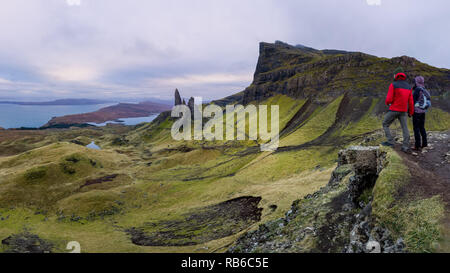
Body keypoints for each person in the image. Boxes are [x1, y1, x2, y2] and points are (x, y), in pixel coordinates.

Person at [381, 67, 414, 152]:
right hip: (403, 111)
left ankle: (390, 142)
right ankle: (405, 146)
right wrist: (410, 112)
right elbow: (410, 102)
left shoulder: (393, 84)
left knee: (385, 124)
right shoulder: (409, 87)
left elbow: (389, 99)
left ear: (396, 75)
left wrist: (388, 103)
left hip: (394, 109)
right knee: (404, 128)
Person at [412, 76, 430, 151]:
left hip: (416, 112)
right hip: (423, 112)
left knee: (416, 128)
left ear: (416, 82)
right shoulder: (424, 89)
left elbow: (412, 101)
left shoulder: (417, 89)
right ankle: (424, 144)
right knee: (422, 127)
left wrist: (410, 110)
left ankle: (417, 145)